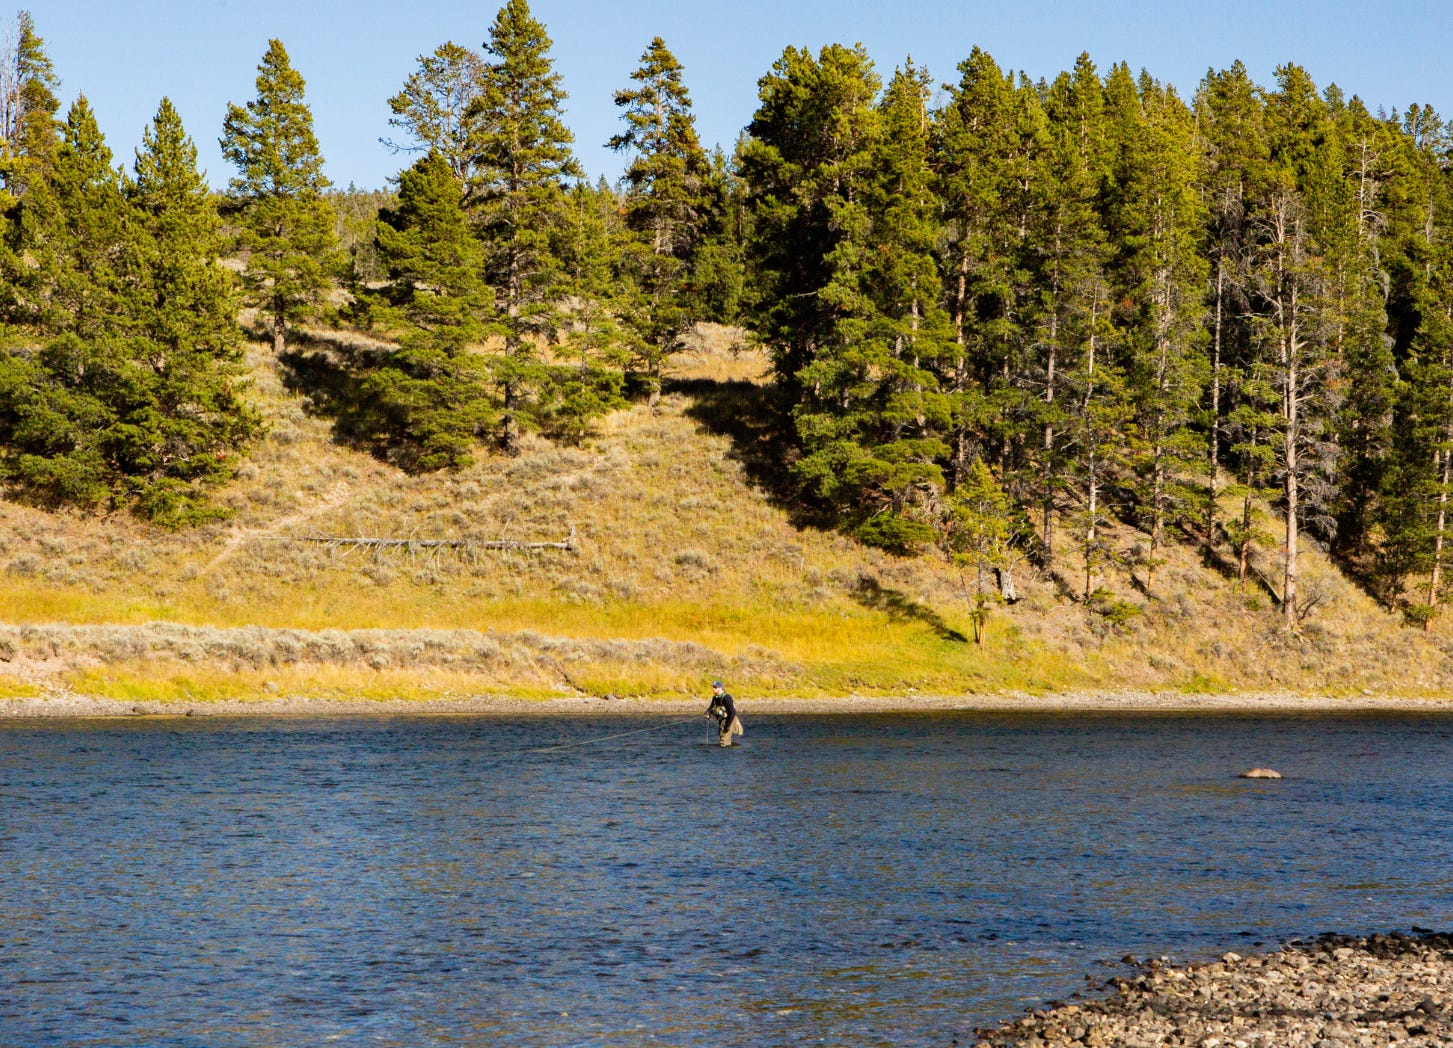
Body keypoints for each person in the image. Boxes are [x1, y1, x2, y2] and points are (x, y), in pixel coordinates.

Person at [705, 680, 743, 747]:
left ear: (720, 688)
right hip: (722, 720)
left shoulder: (727, 698)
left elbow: (733, 712)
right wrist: (707, 712)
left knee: (724, 741)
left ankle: (725, 755)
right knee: (723, 738)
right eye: (713, 687)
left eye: (715, 687)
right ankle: (728, 750)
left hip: (729, 719)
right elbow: (711, 707)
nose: (713, 689)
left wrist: (728, 725)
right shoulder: (715, 698)